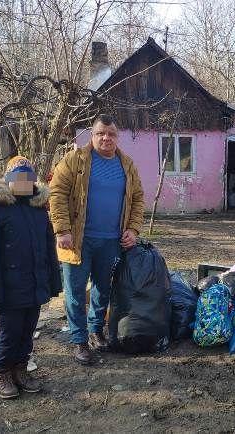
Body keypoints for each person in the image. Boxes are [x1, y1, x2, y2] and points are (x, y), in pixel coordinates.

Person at [49, 114, 144, 365]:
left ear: (117, 137)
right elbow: (57, 193)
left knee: (103, 289)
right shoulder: (75, 160)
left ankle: (96, 330)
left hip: (112, 241)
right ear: (92, 135)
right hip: (77, 240)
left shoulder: (127, 164)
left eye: (111, 134)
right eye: (101, 133)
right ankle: (79, 340)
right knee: (75, 292)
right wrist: (62, 230)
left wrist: (133, 230)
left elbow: (137, 199)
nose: (106, 138)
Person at [0, 156, 61, 399]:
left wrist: (53, 282)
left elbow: (49, 249)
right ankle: (2, 372)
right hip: (9, 289)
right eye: (18, 177)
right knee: (10, 333)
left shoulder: (38, 209)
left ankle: (21, 368)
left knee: (27, 332)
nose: (23, 182)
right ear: (8, 180)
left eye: (28, 177)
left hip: (35, 285)